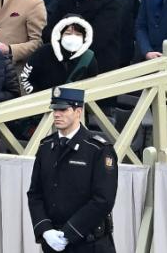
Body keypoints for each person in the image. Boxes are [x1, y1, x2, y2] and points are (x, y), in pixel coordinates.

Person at [27, 86, 117, 252]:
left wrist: (69, 232)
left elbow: (103, 199)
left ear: (78, 111)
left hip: (90, 244)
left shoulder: (97, 149)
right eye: (55, 110)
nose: (56, 114)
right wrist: (45, 229)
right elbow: (35, 194)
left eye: (63, 109)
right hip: (53, 242)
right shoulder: (46, 147)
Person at [19, 16, 101, 95]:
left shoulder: (88, 57)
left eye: (78, 34)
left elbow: (93, 85)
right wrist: (37, 96)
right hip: (42, 105)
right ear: (60, 34)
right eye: (68, 33)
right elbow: (25, 77)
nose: (73, 37)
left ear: (84, 37)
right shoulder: (43, 52)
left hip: (75, 106)